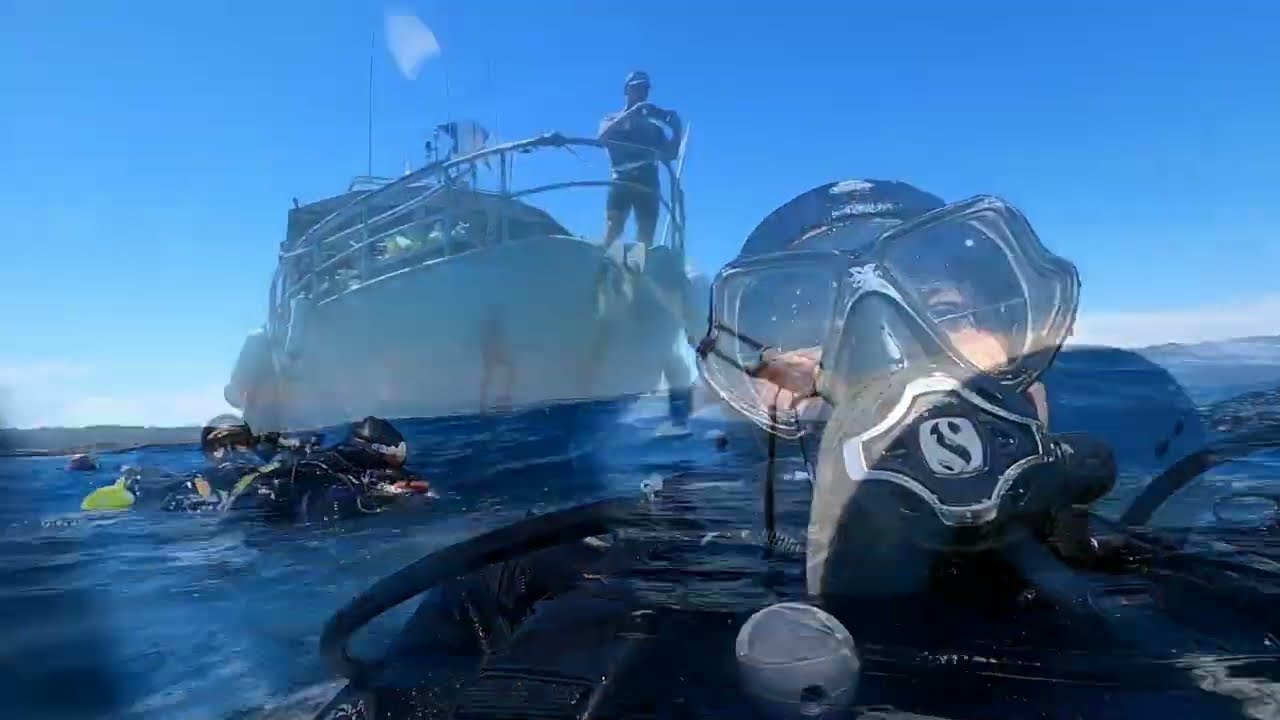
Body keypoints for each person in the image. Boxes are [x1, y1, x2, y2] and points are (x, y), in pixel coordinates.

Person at [597, 70, 683, 249]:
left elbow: (671, 155)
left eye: (645, 89)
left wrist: (677, 130)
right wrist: (631, 113)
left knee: (646, 235)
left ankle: (639, 265)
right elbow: (602, 138)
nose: (641, 93)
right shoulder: (611, 119)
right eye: (636, 88)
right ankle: (598, 260)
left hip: (648, 180)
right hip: (621, 178)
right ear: (626, 90)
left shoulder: (654, 129)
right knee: (614, 227)